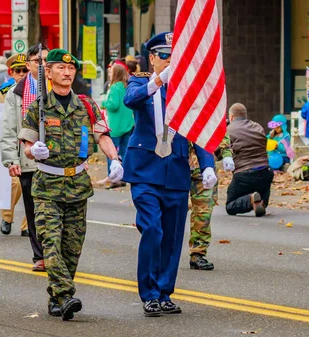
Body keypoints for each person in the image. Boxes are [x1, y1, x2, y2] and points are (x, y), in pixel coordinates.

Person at [19, 49, 123, 320]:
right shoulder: (38, 106)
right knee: (51, 242)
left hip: (77, 184)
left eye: (71, 69)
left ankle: (56, 299)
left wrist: (115, 159)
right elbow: (27, 146)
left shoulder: (86, 105)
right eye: (61, 69)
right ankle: (65, 294)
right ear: (49, 73)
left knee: (72, 248)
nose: (67, 73)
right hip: (47, 185)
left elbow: (102, 135)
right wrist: (34, 151)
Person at [123, 32, 216, 317]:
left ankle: (164, 292)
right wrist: (156, 82)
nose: (171, 61)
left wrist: (208, 164)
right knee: (152, 228)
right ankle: (149, 293)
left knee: (173, 237)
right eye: (165, 55)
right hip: (145, 171)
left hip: (175, 171)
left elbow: (198, 132)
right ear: (152, 58)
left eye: (176, 56)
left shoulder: (187, 92)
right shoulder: (141, 81)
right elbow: (131, 101)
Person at [1, 46, 48, 271]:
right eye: (37, 61)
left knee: (55, 210)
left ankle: (55, 253)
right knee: (33, 210)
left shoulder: (58, 87)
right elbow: (9, 129)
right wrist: (12, 159)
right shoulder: (15, 93)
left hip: (55, 160)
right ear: (29, 64)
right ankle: (40, 255)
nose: (42, 64)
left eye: (46, 60)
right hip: (28, 161)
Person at [188, 133, 233, 270]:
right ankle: (164, 252)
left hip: (204, 168)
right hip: (175, 165)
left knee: (203, 213)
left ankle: (198, 254)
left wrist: (226, 153)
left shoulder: (206, 110)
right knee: (171, 213)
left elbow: (217, 127)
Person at [0, 53, 29, 237]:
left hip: (31, 144)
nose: (22, 74)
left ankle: (27, 226)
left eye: (25, 70)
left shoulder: (38, 90)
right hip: (13, 143)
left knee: (34, 187)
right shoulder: (4, 93)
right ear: (11, 73)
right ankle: (7, 216)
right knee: (15, 184)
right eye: (18, 71)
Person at [225, 103, 273, 217]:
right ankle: (261, 202)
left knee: (230, 206)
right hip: (265, 172)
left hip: (244, 174)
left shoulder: (229, 130)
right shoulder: (258, 127)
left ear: (231, 117)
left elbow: (220, 152)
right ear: (245, 115)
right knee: (263, 183)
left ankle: (251, 199)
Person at [101, 63, 134, 188]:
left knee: (111, 152)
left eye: (111, 71)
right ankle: (124, 176)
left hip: (115, 125)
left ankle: (113, 177)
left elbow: (113, 105)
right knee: (125, 151)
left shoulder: (115, 87)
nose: (109, 73)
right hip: (127, 124)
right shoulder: (126, 86)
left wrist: (104, 102)